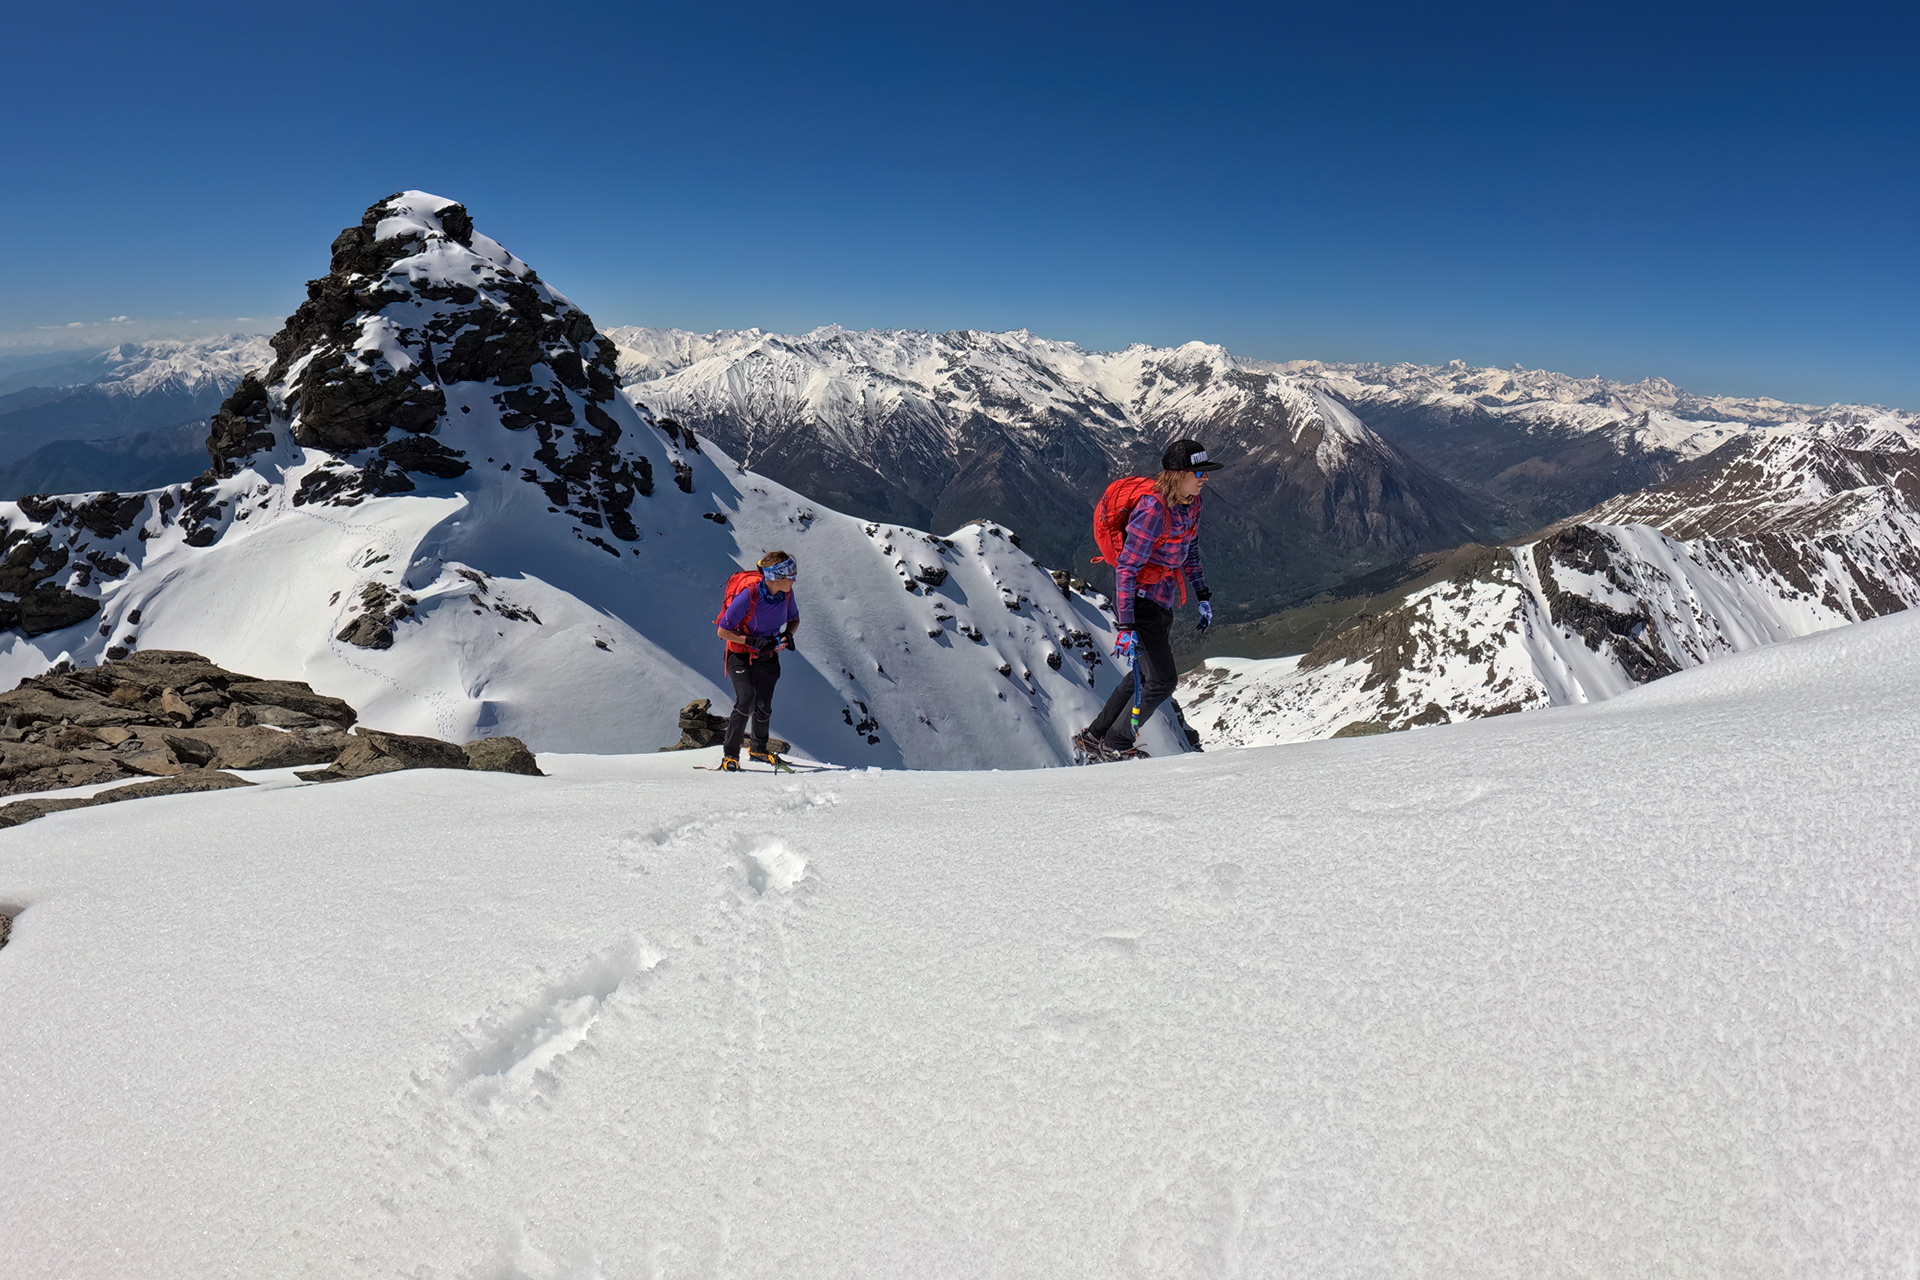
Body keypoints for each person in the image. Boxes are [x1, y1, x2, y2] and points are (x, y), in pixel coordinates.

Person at [1076, 439, 1221, 761]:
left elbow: (1189, 550)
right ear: (1177, 474)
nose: (1204, 478)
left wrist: (1202, 594)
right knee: (1163, 680)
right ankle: (1116, 743)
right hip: (1140, 603)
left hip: (1163, 599)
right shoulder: (1153, 509)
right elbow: (1127, 568)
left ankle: (1093, 737)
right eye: (1198, 472)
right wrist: (1126, 624)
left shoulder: (1190, 504)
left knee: (1143, 676)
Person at [714, 551, 800, 771]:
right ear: (776, 578)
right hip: (740, 654)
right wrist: (752, 641)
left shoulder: (786, 595)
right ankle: (730, 755)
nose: (794, 579)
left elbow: (794, 619)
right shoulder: (749, 596)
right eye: (790, 575)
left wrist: (787, 634)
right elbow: (723, 631)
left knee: (763, 704)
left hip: (767, 653)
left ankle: (758, 749)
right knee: (746, 700)